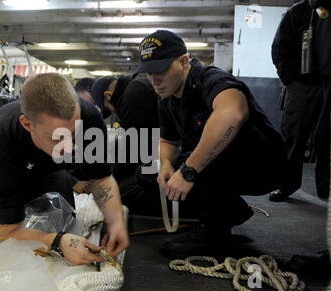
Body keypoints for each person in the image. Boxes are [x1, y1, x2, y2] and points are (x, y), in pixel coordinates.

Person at [0, 73, 129, 266]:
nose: (68, 148)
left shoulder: (88, 117)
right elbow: (9, 230)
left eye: (73, 134)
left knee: (63, 218)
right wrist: (57, 241)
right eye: (57, 138)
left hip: (42, 162)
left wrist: (115, 220)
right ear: (27, 124)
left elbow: (100, 178)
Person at [133, 30, 287, 255]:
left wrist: (188, 172)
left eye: (161, 70)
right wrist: (165, 164)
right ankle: (229, 210)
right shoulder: (166, 101)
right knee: (148, 174)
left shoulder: (210, 79)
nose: (154, 80)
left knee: (213, 144)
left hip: (263, 164)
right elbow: (168, 140)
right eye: (149, 73)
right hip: (223, 167)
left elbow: (233, 113)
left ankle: (213, 231)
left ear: (184, 61)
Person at [270, 0, 329, 201]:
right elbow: (279, 48)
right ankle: (287, 185)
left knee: (325, 139)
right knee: (293, 137)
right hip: (301, 85)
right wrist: (291, 81)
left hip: (327, 83)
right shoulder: (296, 13)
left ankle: (326, 188)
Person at [90, 75, 161, 215]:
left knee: (124, 192)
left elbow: (132, 151)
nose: (113, 112)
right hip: (160, 151)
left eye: (109, 108)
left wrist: (109, 183)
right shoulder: (135, 87)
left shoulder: (132, 96)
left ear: (108, 95)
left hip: (166, 157)